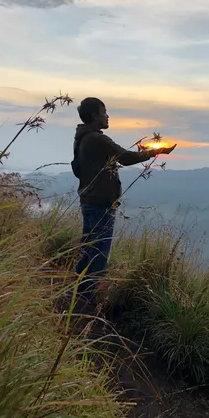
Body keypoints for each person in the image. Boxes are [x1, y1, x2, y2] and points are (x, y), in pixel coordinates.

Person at [71, 97, 176, 303]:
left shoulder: (82, 137)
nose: (107, 116)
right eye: (104, 112)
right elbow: (126, 158)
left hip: (89, 200)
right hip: (100, 203)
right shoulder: (97, 139)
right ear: (94, 116)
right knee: (99, 252)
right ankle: (88, 298)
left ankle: (79, 291)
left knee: (89, 247)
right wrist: (157, 151)